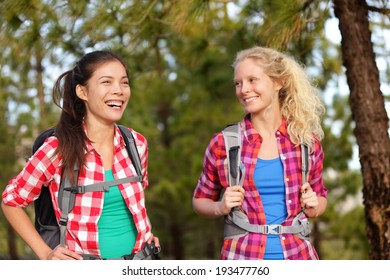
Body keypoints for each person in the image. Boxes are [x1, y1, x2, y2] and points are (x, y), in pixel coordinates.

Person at [2, 50, 159, 260]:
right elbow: (11, 200)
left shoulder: (136, 143)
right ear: (82, 92)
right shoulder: (58, 148)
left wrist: (146, 233)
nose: (119, 90)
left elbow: (134, 203)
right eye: (106, 82)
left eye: (124, 82)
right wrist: (46, 254)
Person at [192, 46, 327, 260]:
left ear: (278, 82)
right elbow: (200, 200)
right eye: (238, 83)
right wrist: (220, 206)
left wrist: (314, 205)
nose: (243, 89)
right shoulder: (224, 143)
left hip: (298, 256)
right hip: (243, 258)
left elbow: (320, 198)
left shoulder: (305, 143)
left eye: (252, 80)